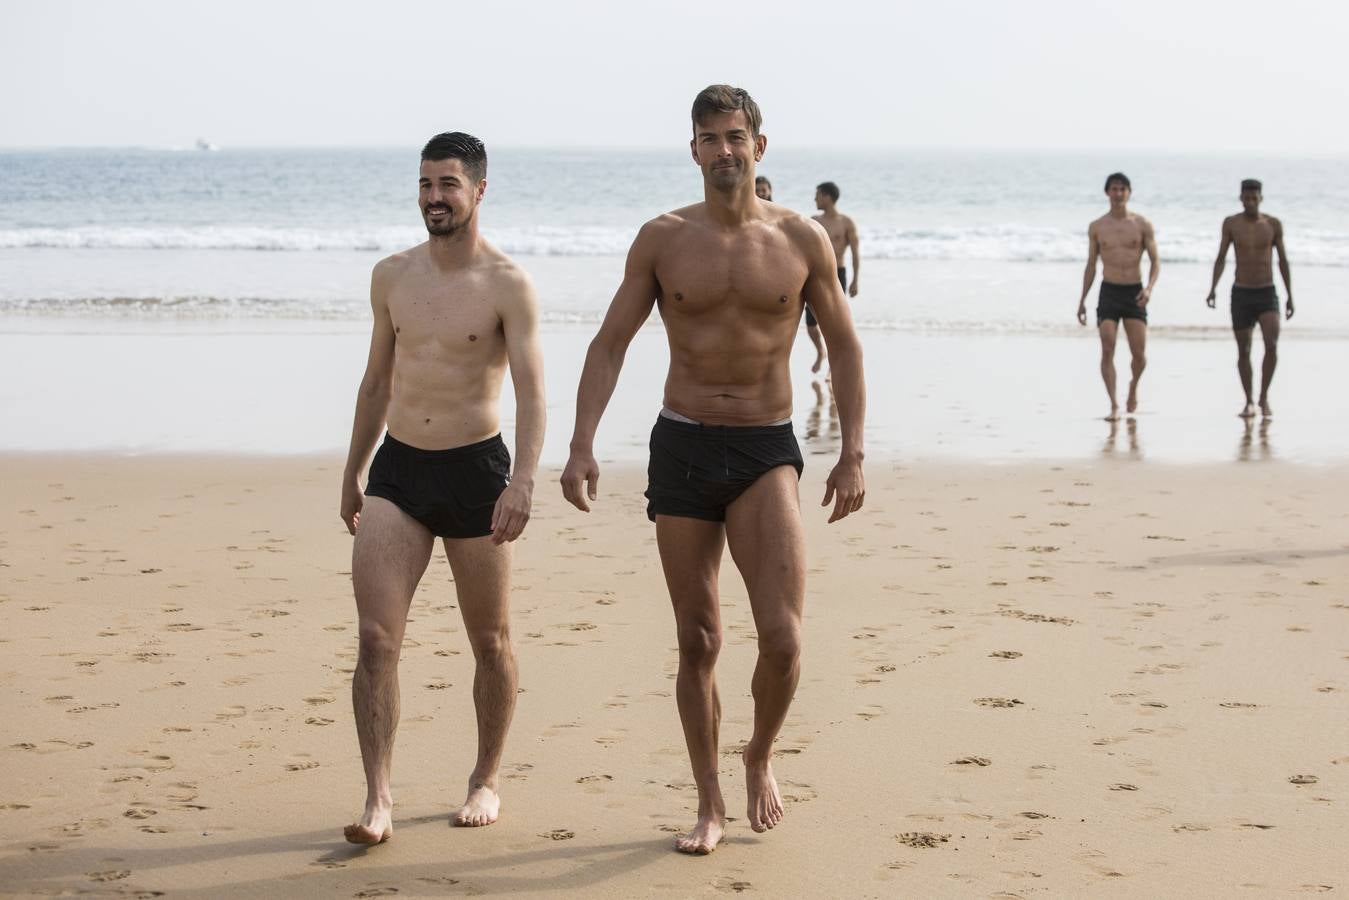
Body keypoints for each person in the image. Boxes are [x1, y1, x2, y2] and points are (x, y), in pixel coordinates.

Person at [560, 85, 866, 855]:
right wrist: (581, 442)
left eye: (735, 136)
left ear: (759, 146)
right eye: (709, 138)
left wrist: (852, 451)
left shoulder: (801, 240)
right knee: (697, 639)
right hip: (684, 444)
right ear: (692, 149)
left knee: (784, 641)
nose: (724, 150)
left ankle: (758, 751)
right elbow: (609, 343)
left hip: (765, 448)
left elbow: (847, 345)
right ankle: (707, 799)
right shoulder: (662, 240)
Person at [338, 131, 545, 845]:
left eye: (448, 184)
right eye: (426, 184)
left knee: (489, 640)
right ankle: (378, 797)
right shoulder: (391, 275)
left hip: (475, 474)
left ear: (478, 190)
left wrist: (521, 481)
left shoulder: (506, 284)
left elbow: (531, 393)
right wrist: (351, 471)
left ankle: (485, 778)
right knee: (374, 641)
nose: (434, 197)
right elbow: (374, 383)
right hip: (399, 470)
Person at [1205, 179, 1294, 418]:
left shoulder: (1272, 224)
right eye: (1246, 198)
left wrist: (1289, 296)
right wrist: (1213, 287)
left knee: (1272, 344)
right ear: (1241, 198)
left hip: (1267, 292)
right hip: (1241, 292)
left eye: (1254, 198)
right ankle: (1249, 401)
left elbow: (1283, 261)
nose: (1250, 202)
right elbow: (1221, 257)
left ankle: (1264, 396)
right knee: (1243, 349)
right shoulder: (1232, 224)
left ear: (1261, 199)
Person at [1076, 172, 1159, 421]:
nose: (1118, 193)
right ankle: (1113, 404)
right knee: (1107, 347)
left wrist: (1149, 289)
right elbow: (1091, 265)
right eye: (1114, 189)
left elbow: (1156, 261)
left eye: (1123, 189)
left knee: (1139, 356)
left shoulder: (1142, 224)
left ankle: (1133, 386)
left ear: (1129, 192)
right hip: (1109, 291)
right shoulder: (1097, 227)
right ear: (1107, 192)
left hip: (1134, 292)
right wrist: (1082, 299)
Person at [810, 181, 860, 374]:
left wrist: (856, 280)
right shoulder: (814, 221)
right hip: (815, 274)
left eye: (818, 195)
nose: (815, 199)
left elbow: (855, 253)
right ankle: (821, 351)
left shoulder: (846, 222)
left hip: (838, 274)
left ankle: (834, 360)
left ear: (828, 197)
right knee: (811, 325)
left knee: (836, 323)